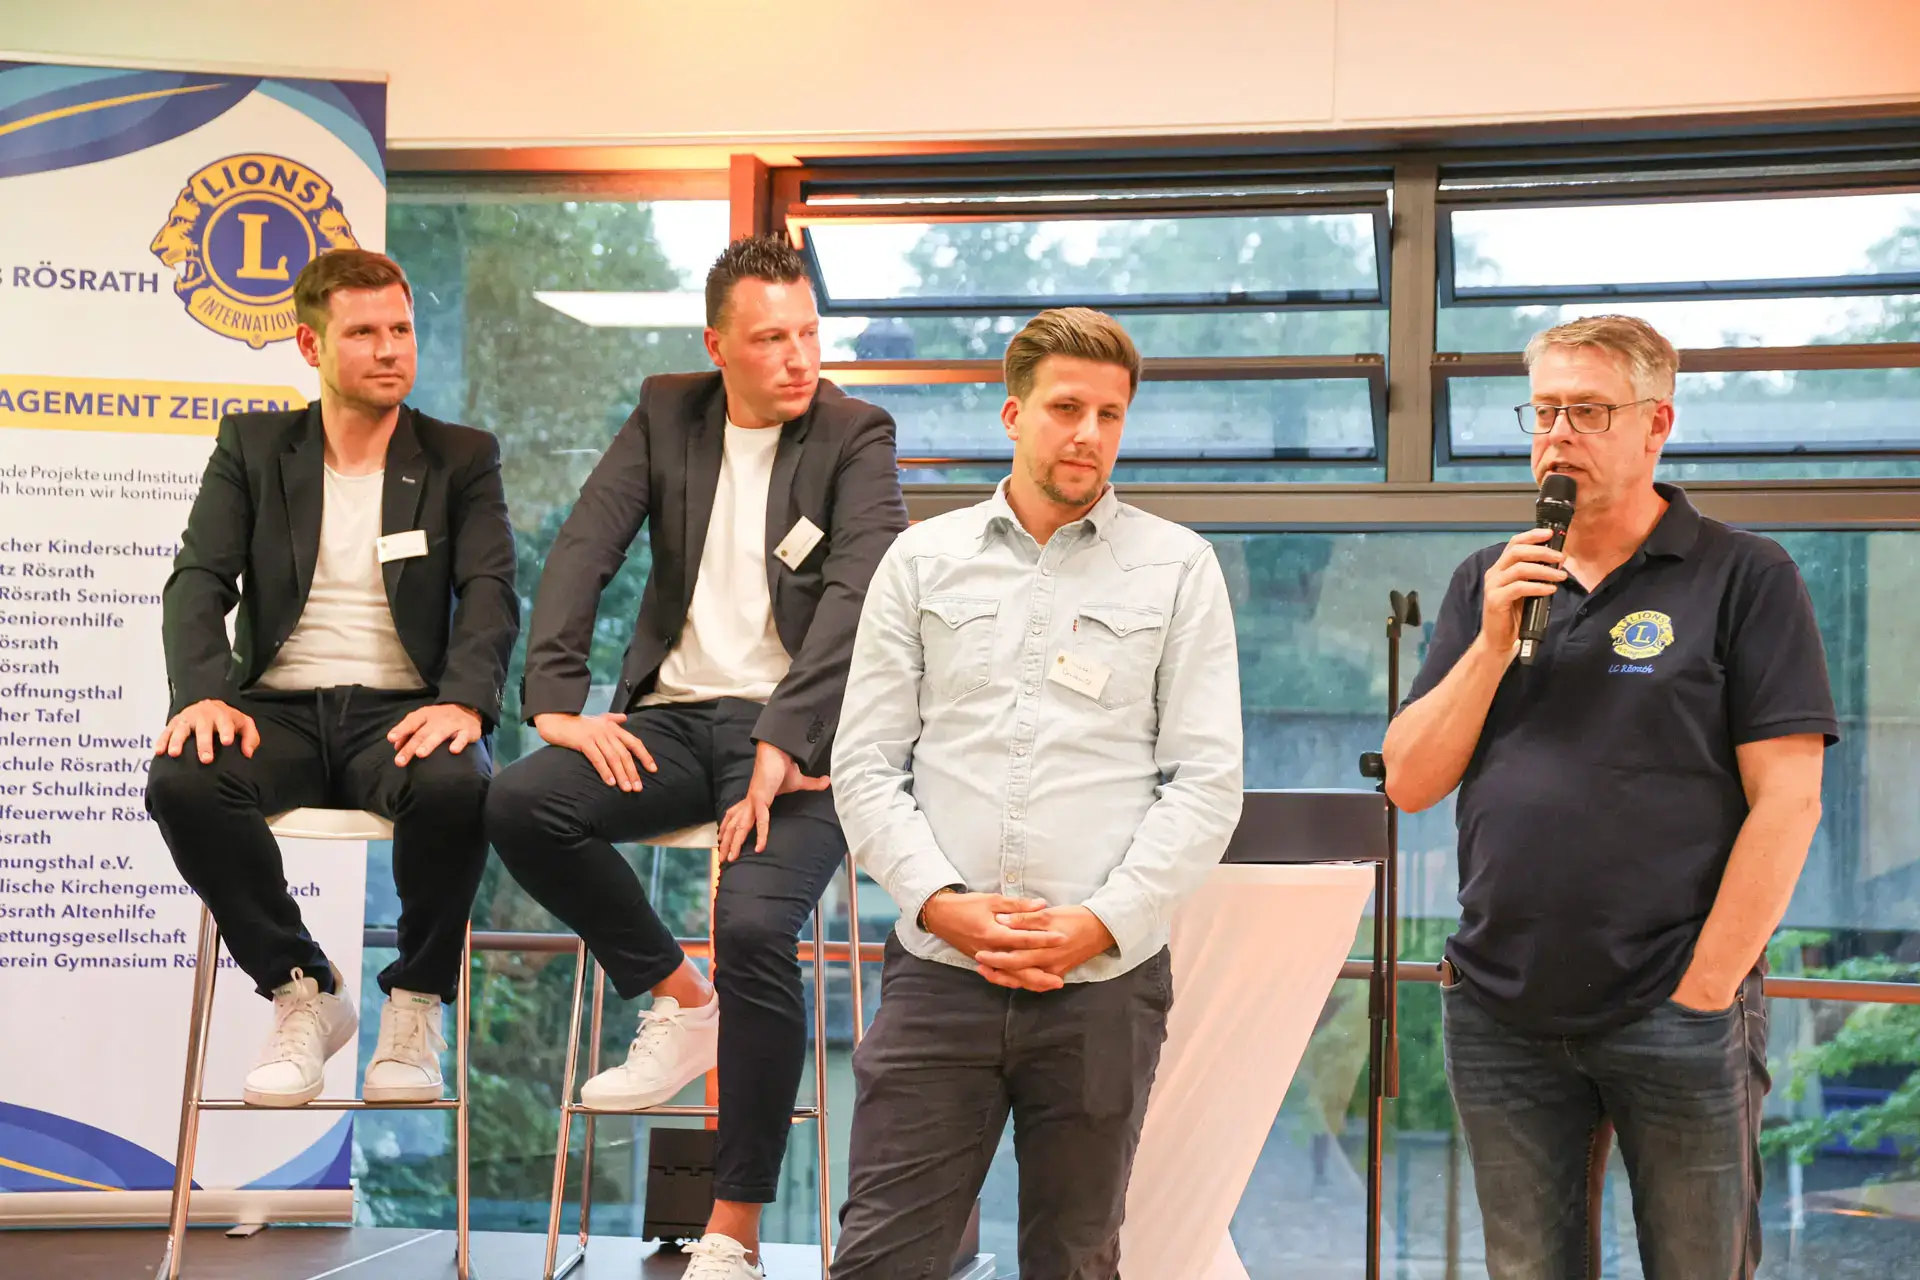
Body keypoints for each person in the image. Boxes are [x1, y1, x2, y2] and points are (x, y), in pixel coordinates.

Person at [485, 235, 907, 1279]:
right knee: (522, 804)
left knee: (754, 926)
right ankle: (680, 998)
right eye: (770, 339)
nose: (798, 357)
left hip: (806, 738)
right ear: (717, 346)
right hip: (675, 718)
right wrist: (556, 701)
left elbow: (859, 595)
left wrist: (783, 737)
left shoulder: (856, 434)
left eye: (807, 333)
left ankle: (733, 1228)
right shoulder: (666, 412)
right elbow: (585, 544)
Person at [1382, 315, 1835, 1280]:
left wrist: (1708, 986)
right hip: (1501, 1008)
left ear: (1656, 423)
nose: (1559, 436)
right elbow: (1411, 780)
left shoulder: (1745, 575)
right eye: (1544, 411)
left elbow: (1790, 802)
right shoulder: (1489, 582)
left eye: (1588, 411)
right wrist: (1492, 642)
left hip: (1675, 1004)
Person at [828, 307, 1244, 1279]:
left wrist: (1099, 922)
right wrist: (941, 903)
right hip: (941, 971)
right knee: (881, 1257)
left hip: (1102, 985)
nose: (1089, 433)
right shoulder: (921, 560)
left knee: (1074, 1259)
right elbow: (866, 762)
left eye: (1110, 413)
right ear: (1014, 414)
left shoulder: (1176, 567)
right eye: (1066, 408)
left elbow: (1206, 781)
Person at [147, 249, 518, 1107]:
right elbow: (199, 579)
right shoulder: (254, 446)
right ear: (311, 346)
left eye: (401, 329)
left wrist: (465, 701)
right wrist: (201, 694)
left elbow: (491, 589)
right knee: (182, 780)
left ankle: (415, 1006)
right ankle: (302, 989)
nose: (390, 349)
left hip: (402, 713)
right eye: (363, 332)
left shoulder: (460, 457)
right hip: (275, 710)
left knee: (459, 784)